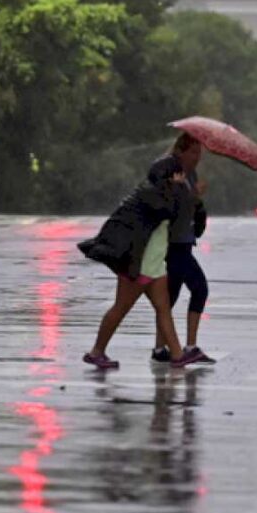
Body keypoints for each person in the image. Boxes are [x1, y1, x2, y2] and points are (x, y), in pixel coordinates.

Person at [77, 155, 206, 370]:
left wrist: (193, 198)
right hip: (138, 265)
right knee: (120, 308)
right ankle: (96, 352)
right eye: (180, 174)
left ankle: (176, 355)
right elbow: (173, 210)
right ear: (171, 175)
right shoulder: (153, 195)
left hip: (154, 266)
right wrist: (191, 194)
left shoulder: (165, 194)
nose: (184, 178)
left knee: (163, 309)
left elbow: (186, 222)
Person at [152, 133, 214, 364]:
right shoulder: (170, 172)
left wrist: (197, 200)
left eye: (200, 153)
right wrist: (191, 195)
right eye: (193, 152)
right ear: (180, 150)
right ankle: (190, 346)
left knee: (170, 296)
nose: (197, 158)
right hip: (174, 243)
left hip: (185, 240)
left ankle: (160, 348)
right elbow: (169, 205)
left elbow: (192, 209)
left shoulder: (191, 174)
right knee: (200, 288)